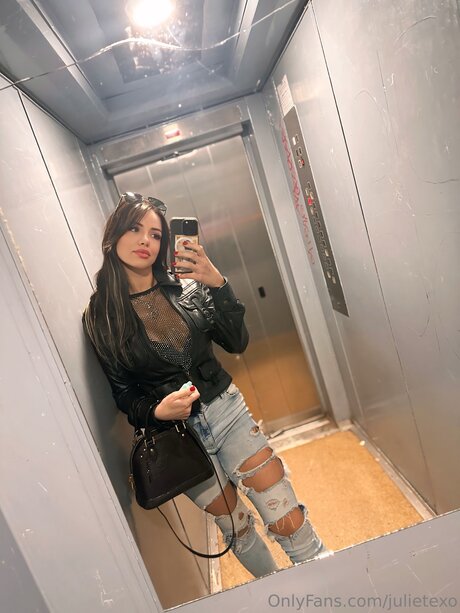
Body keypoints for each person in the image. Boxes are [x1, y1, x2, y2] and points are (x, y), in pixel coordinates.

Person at [83, 192, 325, 578]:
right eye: (134, 229)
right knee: (238, 530)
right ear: (113, 236)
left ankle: (332, 587)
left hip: (227, 413)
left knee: (285, 516)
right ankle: (277, 592)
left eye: (156, 235)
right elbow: (123, 393)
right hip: (179, 440)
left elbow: (237, 342)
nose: (146, 241)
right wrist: (157, 410)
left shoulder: (187, 286)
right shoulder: (101, 316)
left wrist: (218, 283)